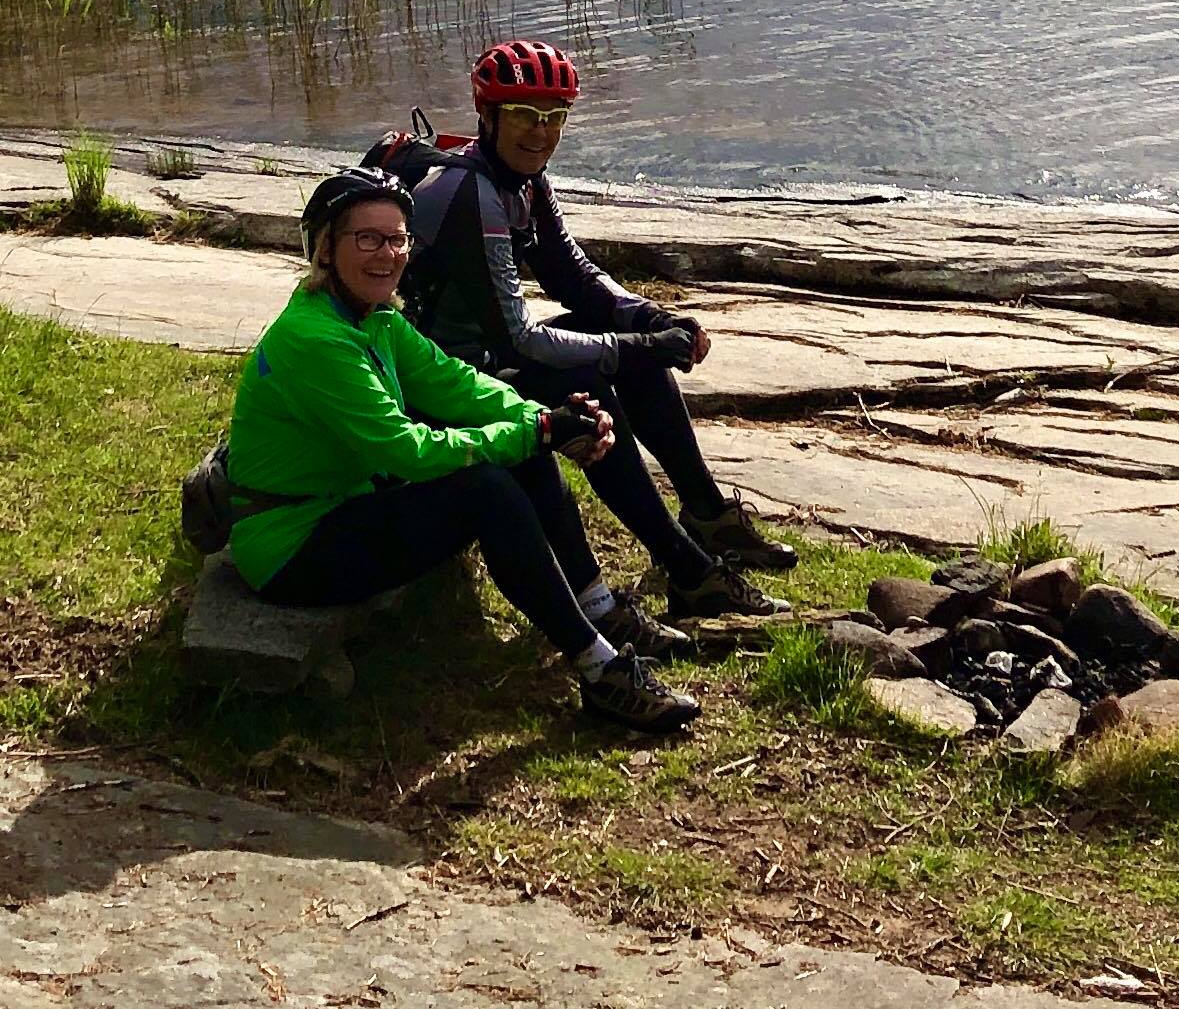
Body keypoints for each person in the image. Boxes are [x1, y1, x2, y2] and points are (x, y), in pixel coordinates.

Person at [227, 165, 701, 736]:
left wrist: (540, 420)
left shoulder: (373, 318)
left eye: (399, 238)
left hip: (340, 504)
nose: (388, 253)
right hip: (290, 544)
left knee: (515, 448)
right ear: (326, 248)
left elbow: (455, 383)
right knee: (487, 488)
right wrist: (543, 432)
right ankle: (602, 671)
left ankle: (597, 607)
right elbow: (407, 451)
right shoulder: (316, 339)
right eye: (368, 238)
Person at [401, 39, 796, 625]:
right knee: (591, 383)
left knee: (631, 355)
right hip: (436, 382)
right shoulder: (472, 194)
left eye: (555, 117)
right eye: (525, 117)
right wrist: (635, 346)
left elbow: (572, 273)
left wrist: (649, 318)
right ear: (487, 116)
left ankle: (707, 517)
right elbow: (519, 339)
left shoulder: (523, 178)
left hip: (481, 356)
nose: (541, 132)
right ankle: (690, 573)